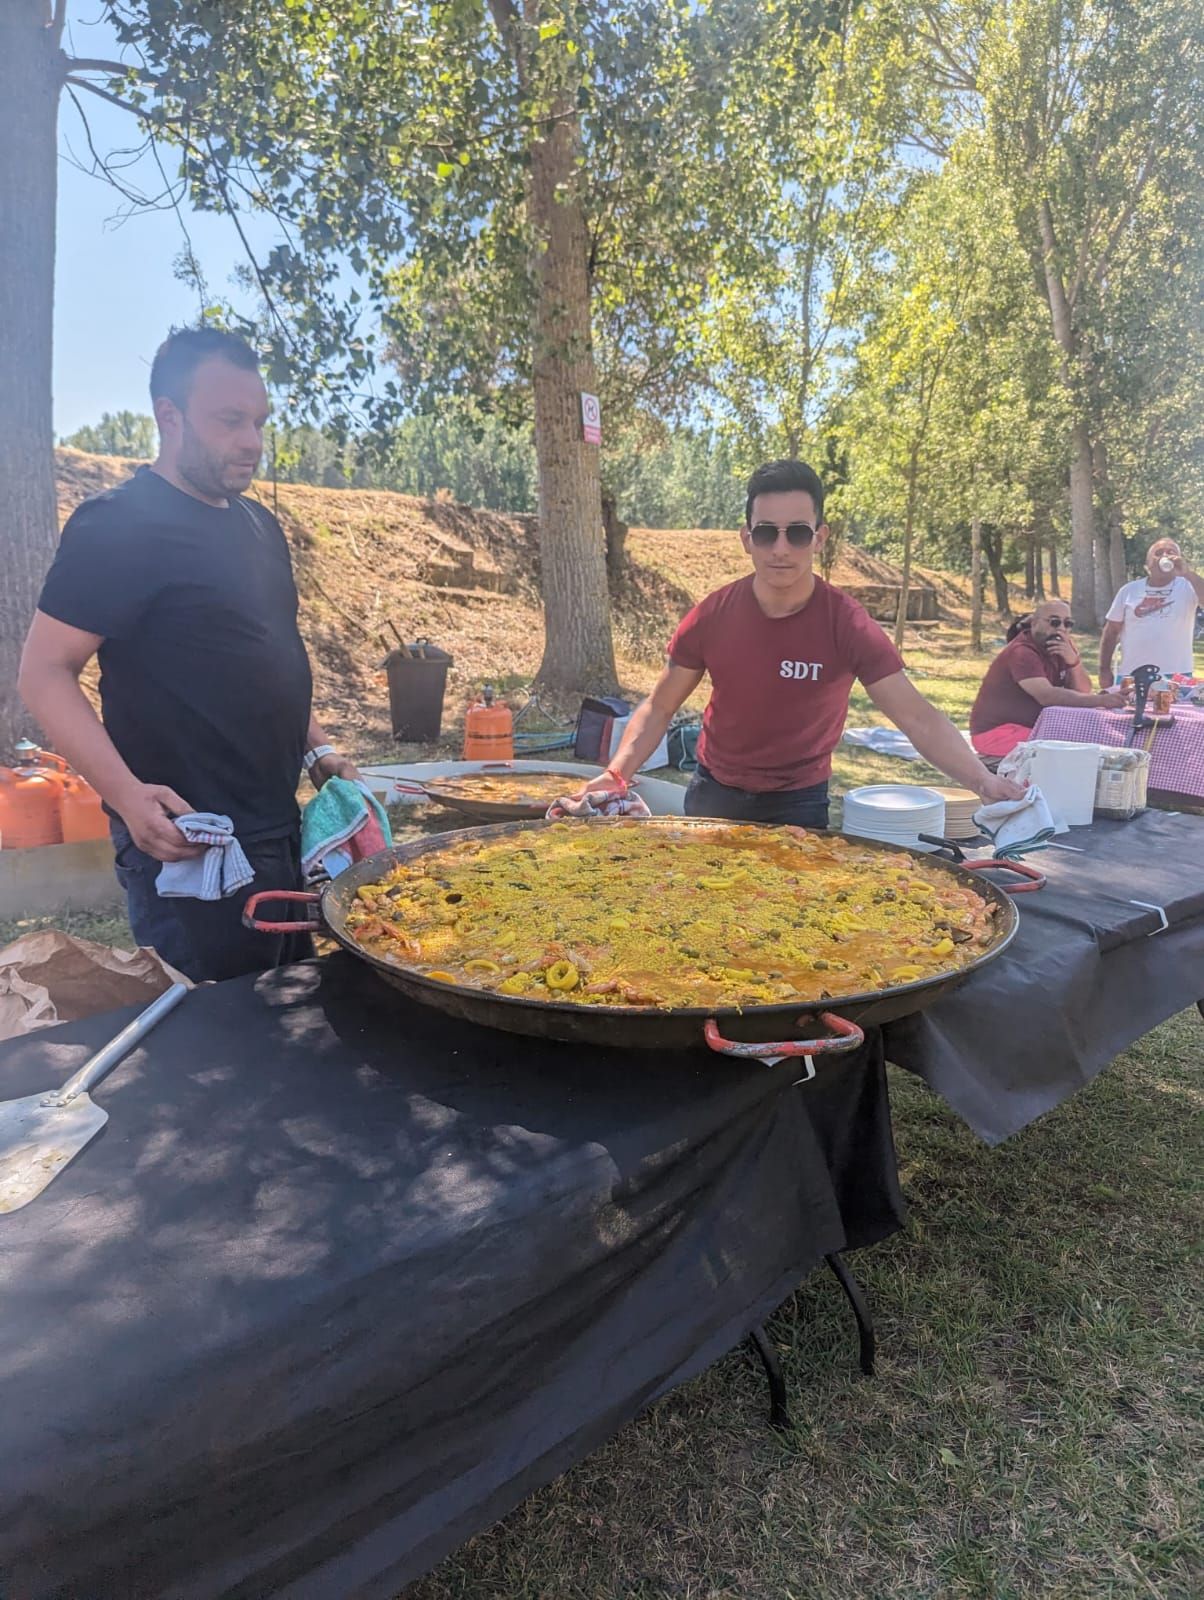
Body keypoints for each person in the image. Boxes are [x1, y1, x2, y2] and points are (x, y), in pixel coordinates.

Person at [19, 327, 359, 982]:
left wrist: (317, 748)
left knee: (294, 1017)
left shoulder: (259, 525)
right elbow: (44, 673)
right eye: (230, 421)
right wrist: (124, 794)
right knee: (214, 1041)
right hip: (189, 843)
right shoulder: (118, 525)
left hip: (276, 827)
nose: (252, 442)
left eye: (259, 421)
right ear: (168, 417)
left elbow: (269, 653)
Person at [586, 458, 1024, 825]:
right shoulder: (712, 615)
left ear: (819, 537)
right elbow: (659, 706)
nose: (781, 548)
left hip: (798, 801)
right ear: (746, 539)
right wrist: (617, 773)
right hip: (712, 793)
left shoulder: (846, 623)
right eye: (765, 533)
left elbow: (917, 718)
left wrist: (982, 782)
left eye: (797, 533)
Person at [968, 602, 1128, 759]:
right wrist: (1101, 700)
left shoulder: (1063, 646)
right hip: (998, 734)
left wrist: (1073, 661)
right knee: (1076, 752)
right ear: (1034, 623)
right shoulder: (1022, 652)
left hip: (1034, 728)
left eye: (1068, 623)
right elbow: (1047, 696)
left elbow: (1083, 690)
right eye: (1054, 622)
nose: (1061, 628)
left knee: (1091, 743)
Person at [1099, 539, 1204, 686]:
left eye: (1171, 552)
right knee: (1129, 709)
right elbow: (1111, 631)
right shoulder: (1129, 590)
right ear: (1148, 564)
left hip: (1176, 676)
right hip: (1132, 674)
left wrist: (1187, 573)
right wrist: (1104, 670)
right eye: (1158, 553)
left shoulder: (1189, 587)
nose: (1165, 556)